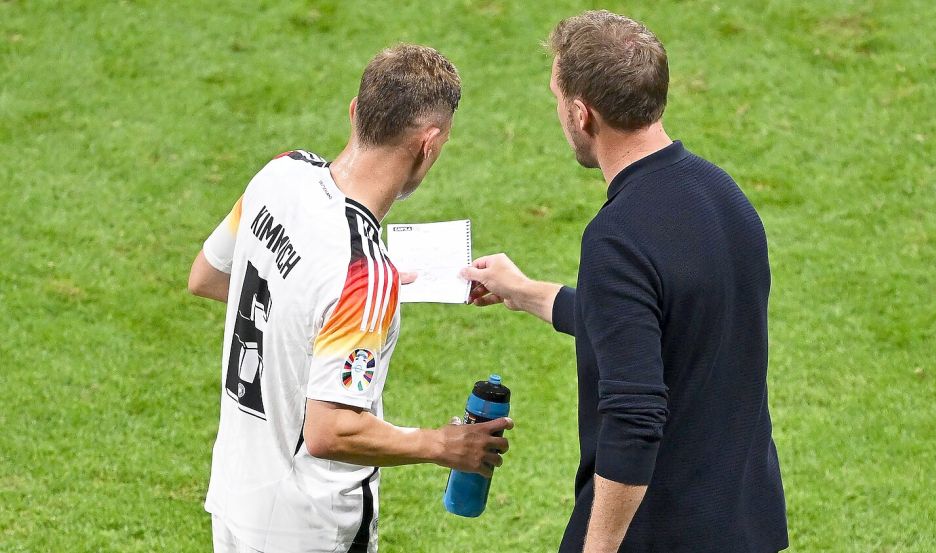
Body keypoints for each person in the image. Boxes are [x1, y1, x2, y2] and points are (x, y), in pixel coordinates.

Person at [463, 11, 788, 553]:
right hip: (741, 525)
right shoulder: (724, 196)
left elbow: (635, 418)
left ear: (581, 113)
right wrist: (525, 292)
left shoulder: (618, 237)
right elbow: (656, 324)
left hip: (659, 534)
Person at [187, 44, 513, 553]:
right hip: (307, 529)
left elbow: (207, 276)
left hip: (236, 498)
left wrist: (350, 303)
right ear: (428, 145)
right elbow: (330, 432)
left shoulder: (280, 174)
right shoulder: (363, 274)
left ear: (356, 111)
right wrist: (441, 445)